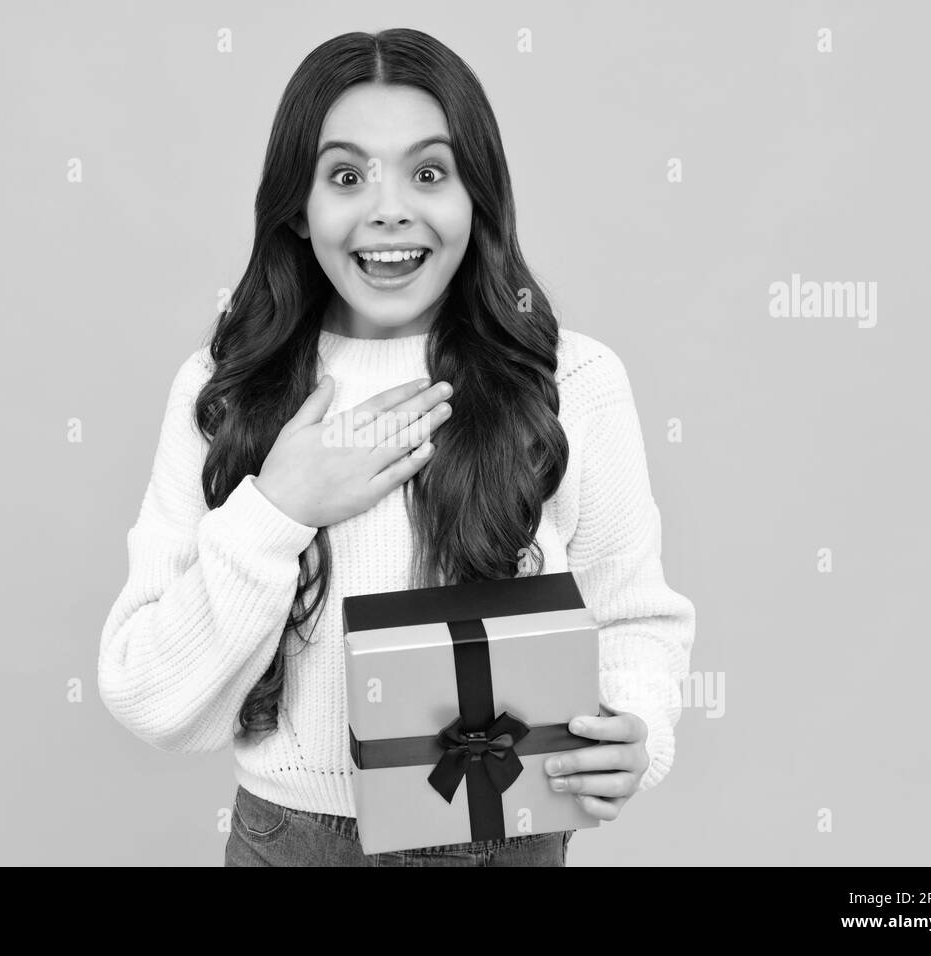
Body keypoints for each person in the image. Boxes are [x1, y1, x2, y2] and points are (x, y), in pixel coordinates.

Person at [97, 28, 696, 867]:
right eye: (346, 176)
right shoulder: (224, 388)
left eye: (428, 173)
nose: (388, 209)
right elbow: (152, 697)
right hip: (294, 843)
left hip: (502, 832)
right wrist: (278, 509)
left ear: (475, 198)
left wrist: (636, 728)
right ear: (297, 212)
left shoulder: (574, 378)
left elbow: (635, 616)